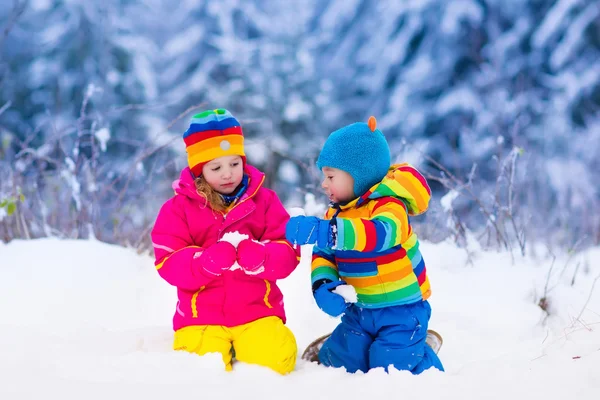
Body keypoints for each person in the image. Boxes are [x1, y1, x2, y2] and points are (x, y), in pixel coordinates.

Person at [285, 116, 444, 374]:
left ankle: (420, 353)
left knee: (389, 369)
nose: (324, 184)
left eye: (330, 176)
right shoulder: (336, 214)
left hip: (402, 312)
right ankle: (341, 348)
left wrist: (327, 231)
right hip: (360, 311)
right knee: (342, 362)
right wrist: (323, 284)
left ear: (357, 176)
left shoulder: (390, 207)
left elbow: (379, 235)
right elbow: (324, 254)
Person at [151, 109, 300, 374]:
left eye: (234, 163)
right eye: (216, 167)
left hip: (257, 313)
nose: (228, 174)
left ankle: (248, 348)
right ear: (199, 169)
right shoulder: (178, 209)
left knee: (277, 360)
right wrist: (203, 263)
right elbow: (167, 260)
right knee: (199, 369)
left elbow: (288, 251)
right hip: (201, 318)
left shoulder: (264, 202)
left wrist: (263, 257)